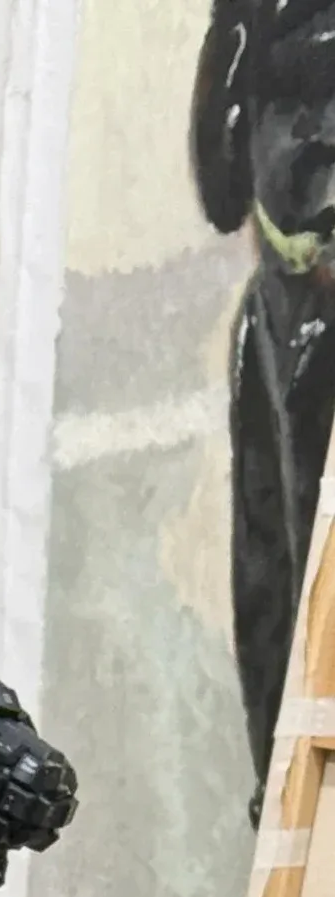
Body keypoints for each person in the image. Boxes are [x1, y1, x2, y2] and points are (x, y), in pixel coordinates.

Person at [192, 0, 335, 825]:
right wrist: (233, 35)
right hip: (281, 321)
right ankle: (284, 807)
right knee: (271, 583)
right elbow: (218, 188)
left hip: (316, 323)